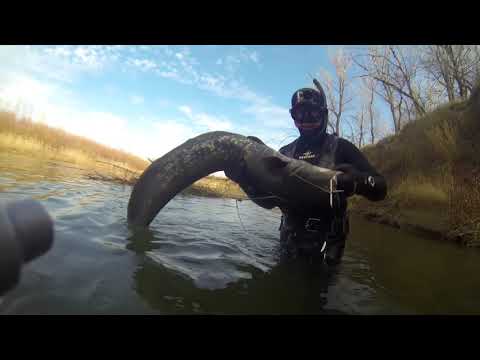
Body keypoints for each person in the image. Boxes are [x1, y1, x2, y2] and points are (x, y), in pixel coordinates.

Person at [226, 83, 387, 266]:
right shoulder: (283, 153)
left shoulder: (342, 147)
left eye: (313, 112)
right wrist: (245, 181)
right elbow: (269, 201)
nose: (306, 119)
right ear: (293, 117)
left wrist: (358, 181)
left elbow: (381, 188)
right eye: (299, 114)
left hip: (328, 246)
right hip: (288, 241)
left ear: (324, 114)